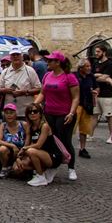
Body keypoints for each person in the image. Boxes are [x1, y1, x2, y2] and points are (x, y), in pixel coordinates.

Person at [35, 50, 80, 181]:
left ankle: (71, 168)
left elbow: (76, 97)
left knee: (65, 141)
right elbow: (43, 93)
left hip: (65, 114)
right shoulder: (47, 75)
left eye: (50, 61)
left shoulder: (69, 77)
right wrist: (35, 104)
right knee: (52, 141)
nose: (47, 62)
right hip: (49, 113)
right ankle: (53, 165)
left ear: (58, 63)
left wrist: (71, 112)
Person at [13, 104, 63, 186]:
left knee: (31, 151)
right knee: (17, 168)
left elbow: (38, 145)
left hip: (52, 156)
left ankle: (40, 176)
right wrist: (18, 157)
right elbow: (27, 144)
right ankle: (44, 170)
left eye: (35, 111)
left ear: (40, 113)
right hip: (39, 153)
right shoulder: (30, 127)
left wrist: (25, 148)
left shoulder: (44, 126)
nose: (32, 113)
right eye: (30, 112)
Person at [0, 46, 41, 119]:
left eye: (17, 55)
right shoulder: (5, 72)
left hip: (26, 112)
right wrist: (6, 90)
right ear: (10, 57)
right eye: (13, 55)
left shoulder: (30, 71)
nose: (15, 57)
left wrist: (25, 92)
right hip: (9, 112)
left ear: (22, 56)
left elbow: (39, 89)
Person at [92, 43, 112, 141]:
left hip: (107, 94)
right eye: (95, 51)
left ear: (104, 52)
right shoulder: (96, 63)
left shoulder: (109, 63)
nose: (96, 53)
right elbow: (92, 76)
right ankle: (90, 134)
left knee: (109, 116)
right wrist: (98, 75)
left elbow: (105, 78)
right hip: (97, 94)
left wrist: (96, 76)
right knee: (94, 115)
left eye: (98, 51)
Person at [75, 58, 98, 159]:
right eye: (87, 66)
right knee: (71, 128)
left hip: (87, 105)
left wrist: (95, 91)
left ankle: (82, 149)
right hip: (76, 105)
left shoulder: (91, 76)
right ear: (81, 68)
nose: (89, 68)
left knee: (84, 129)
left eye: (89, 66)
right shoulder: (74, 76)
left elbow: (96, 87)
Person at [0, 103, 26, 177]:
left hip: (21, 153)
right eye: (6, 113)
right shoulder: (3, 125)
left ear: (16, 114)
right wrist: (12, 145)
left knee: (17, 171)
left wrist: (21, 153)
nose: (9, 115)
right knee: (2, 148)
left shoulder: (24, 124)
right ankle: (5, 168)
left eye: (11, 113)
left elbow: (28, 140)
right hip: (7, 154)